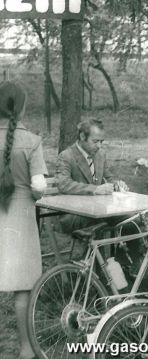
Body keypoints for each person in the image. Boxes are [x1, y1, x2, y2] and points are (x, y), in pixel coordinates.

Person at [0, 81, 47, 359]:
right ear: (22, 107)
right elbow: (39, 186)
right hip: (20, 218)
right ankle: (26, 348)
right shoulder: (31, 141)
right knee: (23, 288)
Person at [56, 118, 128, 233]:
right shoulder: (66, 156)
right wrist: (95, 189)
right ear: (82, 137)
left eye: (101, 141)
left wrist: (117, 184)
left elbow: (108, 177)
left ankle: (126, 251)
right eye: (95, 141)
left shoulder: (100, 154)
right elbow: (63, 184)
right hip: (74, 214)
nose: (99, 146)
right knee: (106, 221)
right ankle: (96, 250)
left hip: (98, 210)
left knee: (131, 220)